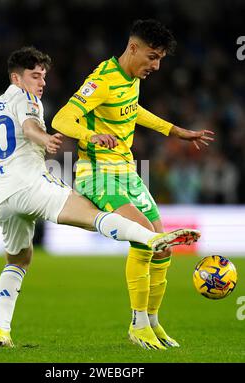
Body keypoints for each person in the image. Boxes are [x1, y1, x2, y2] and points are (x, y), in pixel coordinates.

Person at [0, 46, 199, 349]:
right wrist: (45, 138)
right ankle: (153, 239)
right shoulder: (26, 98)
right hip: (32, 185)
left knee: (19, 260)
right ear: (16, 78)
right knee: (94, 215)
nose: (42, 83)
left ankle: (1, 330)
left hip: (2, 196)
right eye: (35, 76)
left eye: (44, 76)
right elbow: (28, 126)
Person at [52, 19, 214, 350]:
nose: (155, 66)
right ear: (133, 48)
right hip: (96, 173)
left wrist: (173, 130)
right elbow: (61, 119)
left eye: (160, 60)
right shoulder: (101, 79)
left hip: (127, 172)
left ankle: (153, 322)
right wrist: (90, 134)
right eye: (152, 57)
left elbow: (132, 110)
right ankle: (137, 324)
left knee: (164, 246)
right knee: (144, 239)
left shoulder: (131, 78)